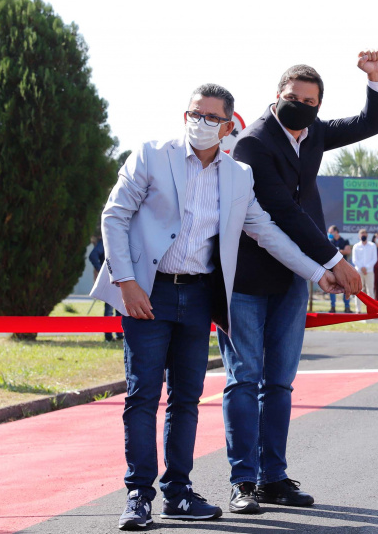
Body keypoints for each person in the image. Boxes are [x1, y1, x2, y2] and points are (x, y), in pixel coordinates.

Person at [90, 83, 344, 531]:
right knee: (143, 394)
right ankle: (138, 495)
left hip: (201, 296)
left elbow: (265, 231)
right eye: (194, 114)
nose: (200, 124)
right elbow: (115, 215)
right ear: (183, 116)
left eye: (211, 118)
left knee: (187, 399)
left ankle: (178, 492)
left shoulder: (237, 176)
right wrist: (125, 281)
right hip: (147, 292)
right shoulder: (151, 156)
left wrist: (317, 270)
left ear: (228, 124)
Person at [223, 51, 378, 514]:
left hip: (293, 278)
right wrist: (333, 260)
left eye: (309, 101)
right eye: (291, 98)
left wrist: (376, 79)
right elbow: (281, 209)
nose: (299, 106)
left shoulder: (315, 129)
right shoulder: (253, 142)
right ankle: (243, 481)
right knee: (244, 379)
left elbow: (369, 123)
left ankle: (273, 478)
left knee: (279, 382)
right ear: (276, 97)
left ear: (318, 106)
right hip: (247, 278)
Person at [88, 234, 123, 342]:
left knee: (120, 308)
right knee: (109, 309)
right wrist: (102, 270)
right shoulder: (107, 239)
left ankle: (119, 334)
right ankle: (108, 336)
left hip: (122, 278)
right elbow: (93, 255)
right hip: (111, 279)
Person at [327, 225, 353, 313]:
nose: (329, 234)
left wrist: (338, 251)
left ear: (336, 232)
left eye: (331, 232)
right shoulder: (329, 242)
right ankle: (332, 307)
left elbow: (348, 251)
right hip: (332, 269)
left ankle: (347, 307)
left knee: (346, 288)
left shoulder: (344, 241)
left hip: (343, 269)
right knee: (332, 288)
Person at [351, 228, 378, 310]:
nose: (363, 235)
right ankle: (358, 310)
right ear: (359, 236)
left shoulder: (372, 246)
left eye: (364, 234)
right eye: (361, 234)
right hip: (359, 271)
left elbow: (374, 259)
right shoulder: (356, 246)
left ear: (367, 235)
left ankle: (371, 309)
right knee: (358, 290)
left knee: (370, 291)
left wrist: (366, 268)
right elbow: (354, 259)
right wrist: (362, 268)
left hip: (369, 271)